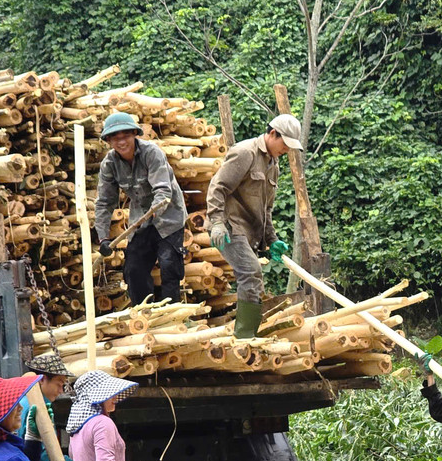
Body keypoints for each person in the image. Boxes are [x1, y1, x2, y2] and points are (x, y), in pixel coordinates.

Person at [206, 114, 302, 339]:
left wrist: (272, 239)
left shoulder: (273, 163)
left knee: (253, 276)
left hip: (249, 231)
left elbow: (266, 208)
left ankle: (249, 331)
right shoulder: (245, 152)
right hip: (229, 226)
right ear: (272, 134)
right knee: (251, 272)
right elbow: (217, 188)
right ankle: (245, 338)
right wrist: (217, 222)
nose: (287, 150)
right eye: (285, 144)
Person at [93, 111, 188, 307]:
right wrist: (103, 237)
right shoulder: (109, 164)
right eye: (116, 138)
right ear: (109, 140)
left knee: (169, 265)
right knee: (133, 269)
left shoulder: (151, 153)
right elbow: (104, 202)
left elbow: (163, 190)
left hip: (169, 217)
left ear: (134, 134)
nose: (121, 142)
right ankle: (144, 311)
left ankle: (171, 313)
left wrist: (153, 212)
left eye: (126, 136)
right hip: (141, 222)